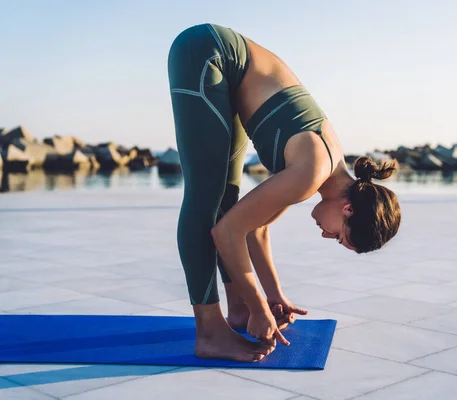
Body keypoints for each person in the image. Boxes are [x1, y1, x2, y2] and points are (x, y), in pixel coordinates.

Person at [167, 23, 401, 363]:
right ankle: (209, 331)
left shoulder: (325, 171)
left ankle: (239, 312)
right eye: (338, 237)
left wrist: (272, 297)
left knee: (226, 202)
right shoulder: (311, 173)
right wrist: (261, 307)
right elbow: (228, 233)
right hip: (208, 55)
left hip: (223, 70)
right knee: (206, 200)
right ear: (348, 209)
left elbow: (256, 228)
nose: (325, 234)